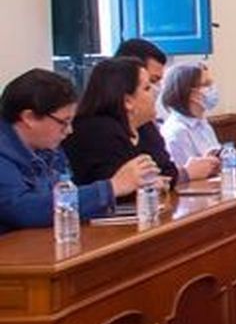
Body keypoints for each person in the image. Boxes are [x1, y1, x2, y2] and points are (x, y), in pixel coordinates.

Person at [1, 69, 152, 231]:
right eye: (63, 122)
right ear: (29, 118)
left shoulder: (48, 148)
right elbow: (21, 210)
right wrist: (112, 187)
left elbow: (64, 194)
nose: (69, 130)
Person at [63, 57, 181, 189]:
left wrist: (154, 183)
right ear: (127, 101)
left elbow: (170, 172)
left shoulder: (145, 126)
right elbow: (119, 188)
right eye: (147, 88)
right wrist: (152, 184)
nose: (155, 92)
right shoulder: (95, 131)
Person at [113, 37, 216, 179]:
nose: (157, 90)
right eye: (151, 83)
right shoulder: (104, 129)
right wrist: (186, 173)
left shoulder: (147, 125)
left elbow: (165, 170)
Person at [158, 62, 222, 175]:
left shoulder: (203, 125)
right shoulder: (176, 132)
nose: (213, 88)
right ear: (191, 93)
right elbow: (184, 179)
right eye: (207, 84)